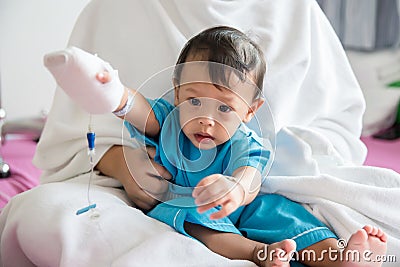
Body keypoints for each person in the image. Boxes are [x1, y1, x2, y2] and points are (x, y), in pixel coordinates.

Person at [94, 26, 387, 267]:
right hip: (193, 206)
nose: (206, 120)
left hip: (246, 206)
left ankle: (339, 258)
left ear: (250, 110)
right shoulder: (168, 122)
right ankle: (256, 253)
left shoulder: (244, 142)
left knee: (286, 215)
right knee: (195, 220)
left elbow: (250, 175)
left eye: (224, 109)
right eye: (194, 101)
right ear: (177, 92)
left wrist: (235, 188)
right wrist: (117, 95)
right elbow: (139, 111)